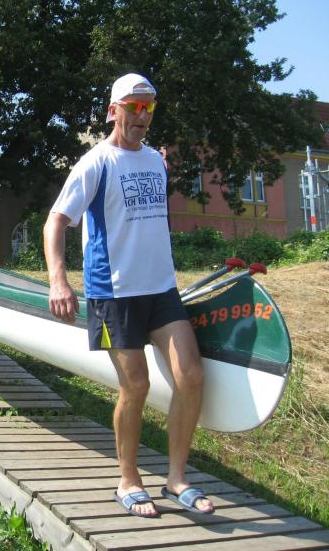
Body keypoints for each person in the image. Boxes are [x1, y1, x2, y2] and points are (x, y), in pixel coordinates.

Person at [44, 73, 214, 518]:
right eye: (134, 106)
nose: (142, 115)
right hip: (113, 293)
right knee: (135, 385)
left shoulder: (156, 161)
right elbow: (55, 221)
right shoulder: (95, 163)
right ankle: (128, 480)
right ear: (113, 110)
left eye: (149, 107)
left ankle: (176, 479)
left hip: (161, 289)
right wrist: (59, 281)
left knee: (191, 375)